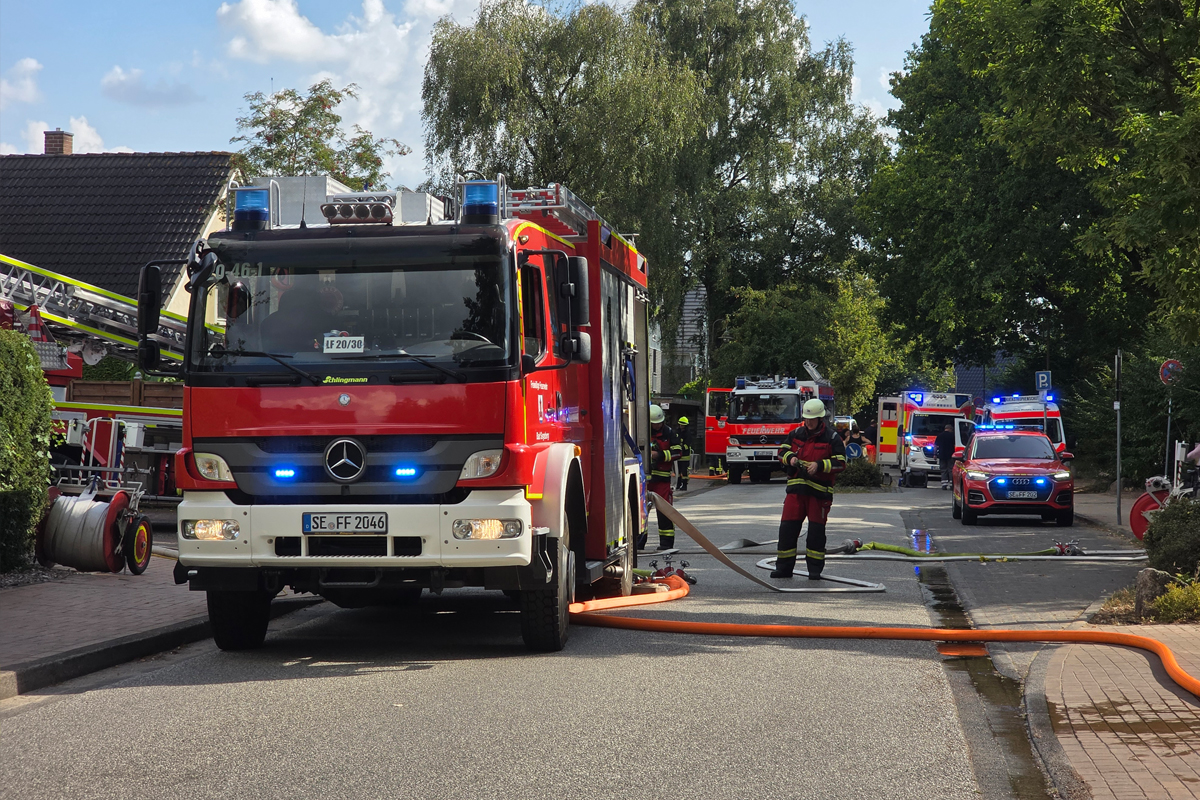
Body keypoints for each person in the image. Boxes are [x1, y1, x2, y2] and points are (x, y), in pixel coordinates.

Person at [772, 399, 847, 580]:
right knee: (787, 531)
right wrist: (790, 458)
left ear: (820, 418)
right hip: (796, 492)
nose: (809, 422)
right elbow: (781, 452)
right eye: (806, 419)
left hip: (819, 495)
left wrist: (819, 465)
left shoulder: (832, 438)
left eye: (812, 419)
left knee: (815, 534)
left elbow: (841, 463)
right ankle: (783, 568)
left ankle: (814, 570)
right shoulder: (796, 434)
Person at [647, 404, 682, 550]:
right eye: (654, 424)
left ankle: (666, 545)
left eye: (659, 423)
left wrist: (659, 455)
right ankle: (638, 543)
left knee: (665, 513)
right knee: (641, 513)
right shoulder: (641, 432)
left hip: (662, 481)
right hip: (644, 480)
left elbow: (677, 452)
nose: (657, 426)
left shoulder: (669, 433)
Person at [934, 423, 956, 489]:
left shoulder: (940, 436)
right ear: (950, 429)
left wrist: (935, 454)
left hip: (942, 455)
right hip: (950, 455)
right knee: (950, 469)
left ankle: (944, 484)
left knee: (943, 469)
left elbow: (935, 446)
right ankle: (951, 484)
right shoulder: (953, 436)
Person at [675, 416, 693, 491]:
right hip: (678, 455)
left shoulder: (688, 433)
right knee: (678, 471)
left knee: (684, 471)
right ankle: (678, 484)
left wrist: (681, 448)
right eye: (680, 424)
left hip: (685, 455)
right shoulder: (677, 432)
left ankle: (684, 485)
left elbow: (687, 444)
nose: (681, 426)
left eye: (683, 425)